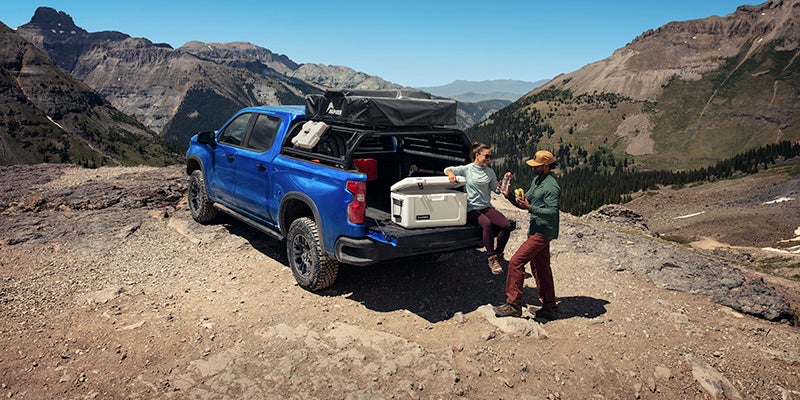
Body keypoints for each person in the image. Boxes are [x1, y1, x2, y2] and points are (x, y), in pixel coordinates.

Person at [493, 150, 561, 320]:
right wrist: (508, 195)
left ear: (546, 166)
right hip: (536, 229)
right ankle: (549, 307)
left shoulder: (551, 186)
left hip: (543, 231)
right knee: (540, 267)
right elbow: (524, 201)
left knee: (516, 262)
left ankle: (513, 304)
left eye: (536, 166)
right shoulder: (537, 180)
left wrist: (530, 208)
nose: (533, 168)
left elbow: (552, 212)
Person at [445, 142, 512, 275]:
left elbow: (495, 190)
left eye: (490, 157)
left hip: (486, 206)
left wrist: (503, 187)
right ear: (477, 155)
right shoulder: (467, 169)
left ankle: (499, 253)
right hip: (471, 208)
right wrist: (451, 174)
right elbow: (447, 168)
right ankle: (491, 257)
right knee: (486, 224)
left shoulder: (490, 171)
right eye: (487, 156)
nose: (489, 159)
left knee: (506, 225)